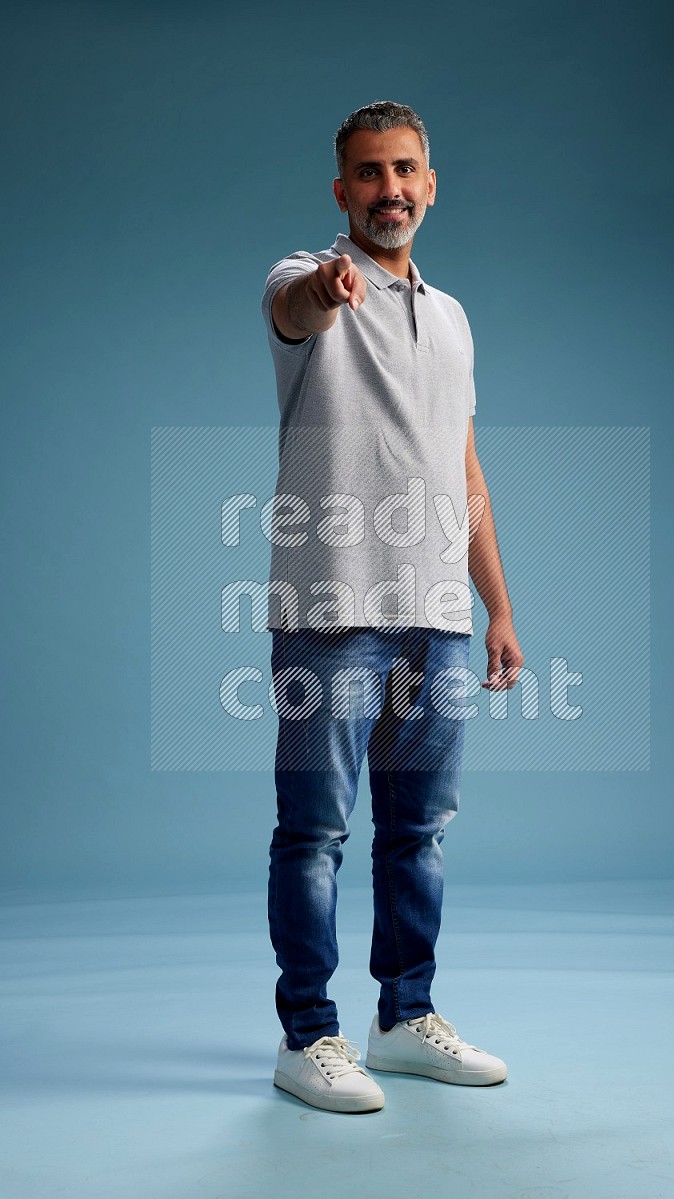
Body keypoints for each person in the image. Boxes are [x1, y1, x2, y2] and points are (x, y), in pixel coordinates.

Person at [260, 100, 524, 1114]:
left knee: (419, 830)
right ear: (342, 192)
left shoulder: (451, 316)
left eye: (405, 169)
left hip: (435, 613)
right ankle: (308, 1034)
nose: (389, 189)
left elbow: (464, 475)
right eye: (368, 174)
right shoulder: (303, 281)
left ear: (430, 182)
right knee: (313, 833)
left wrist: (496, 606)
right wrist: (325, 293)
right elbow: (295, 307)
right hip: (329, 604)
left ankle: (403, 1016)